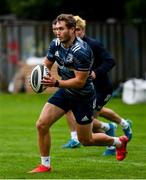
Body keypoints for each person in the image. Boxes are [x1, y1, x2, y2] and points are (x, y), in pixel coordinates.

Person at [28, 14, 129, 173]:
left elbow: (79, 82)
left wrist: (55, 83)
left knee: (86, 140)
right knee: (42, 124)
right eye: (55, 29)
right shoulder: (55, 43)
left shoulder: (81, 51)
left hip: (82, 97)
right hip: (64, 92)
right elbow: (46, 64)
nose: (57, 32)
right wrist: (39, 76)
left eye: (61, 29)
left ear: (73, 30)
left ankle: (118, 142)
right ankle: (45, 165)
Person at [62, 15, 132, 156]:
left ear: (83, 30)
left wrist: (96, 72)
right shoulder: (69, 47)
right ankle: (120, 124)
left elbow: (110, 61)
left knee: (89, 122)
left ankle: (112, 141)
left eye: (79, 30)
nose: (77, 33)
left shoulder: (93, 44)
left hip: (101, 89)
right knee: (86, 116)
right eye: (74, 30)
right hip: (87, 90)